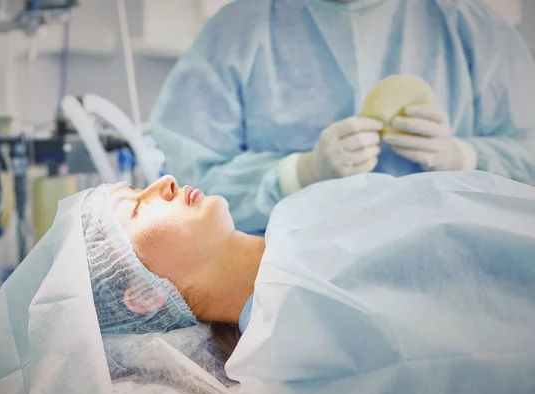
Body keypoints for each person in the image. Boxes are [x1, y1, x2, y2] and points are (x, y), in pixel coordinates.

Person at [83, 171, 535, 394]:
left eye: (139, 187)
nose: (163, 182)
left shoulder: (306, 209)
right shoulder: (287, 371)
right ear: (143, 295)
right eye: (136, 209)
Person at [151, 0, 535, 234]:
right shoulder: (236, 32)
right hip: (283, 294)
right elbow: (188, 186)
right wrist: (298, 174)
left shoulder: (469, 25)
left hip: (455, 282)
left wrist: (464, 158)